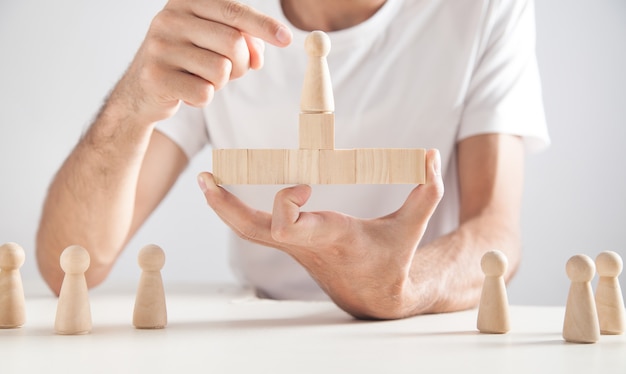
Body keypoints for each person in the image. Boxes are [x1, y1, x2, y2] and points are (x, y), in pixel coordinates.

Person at [36, 0, 549, 319]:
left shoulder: (484, 7)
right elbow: (70, 265)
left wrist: (403, 285)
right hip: (261, 330)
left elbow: (495, 232)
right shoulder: (216, 14)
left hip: (416, 333)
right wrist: (132, 102)